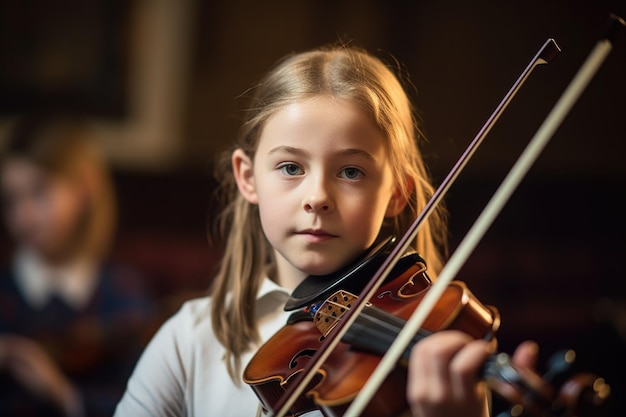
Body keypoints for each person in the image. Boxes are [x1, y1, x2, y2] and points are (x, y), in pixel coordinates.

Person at [114, 44, 538, 417]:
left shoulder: (434, 352)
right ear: (248, 177)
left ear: (396, 192)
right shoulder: (189, 340)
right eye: (290, 167)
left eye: (351, 171)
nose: (317, 197)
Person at [0, 115, 156, 417]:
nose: (23, 215)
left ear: (85, 187)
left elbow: (144, 403)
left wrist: (63, 394)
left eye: (39, 192)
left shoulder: (124, 293)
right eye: (10, 200)